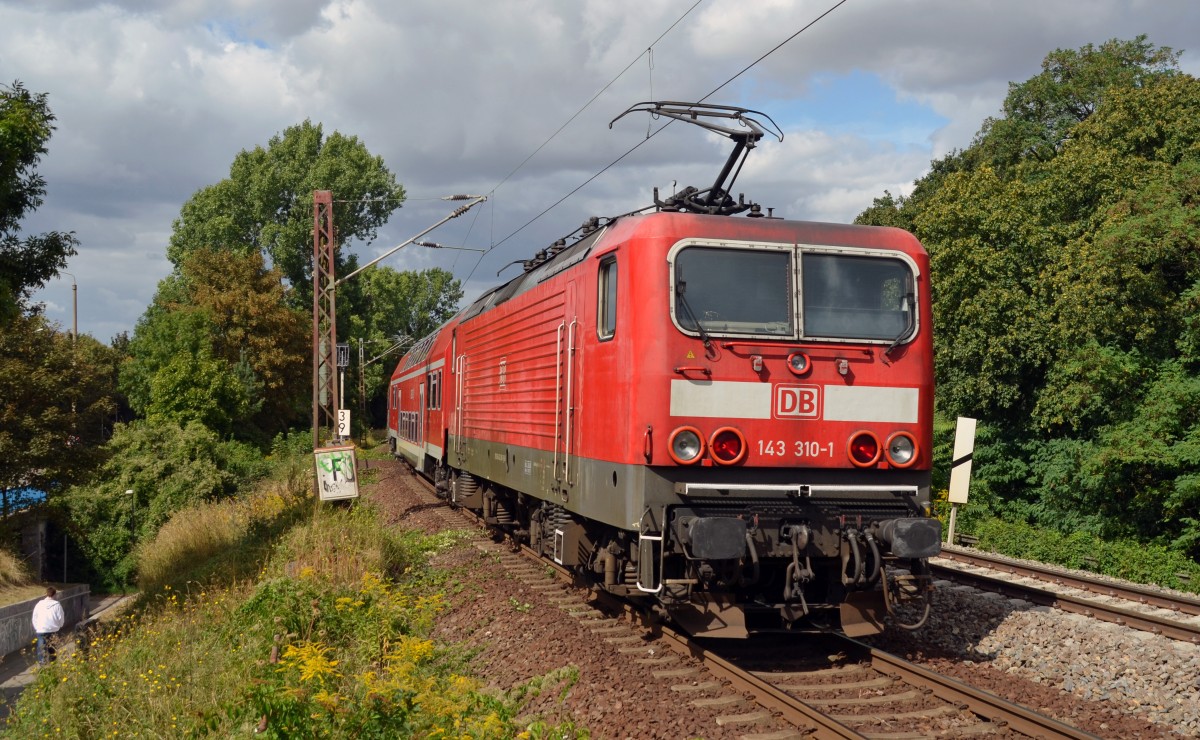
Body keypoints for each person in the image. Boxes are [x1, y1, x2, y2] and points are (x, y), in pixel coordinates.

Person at [31, 586, 65, 665]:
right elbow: (61, 617)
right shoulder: (57, 605)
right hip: (53, 629)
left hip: (41, 629)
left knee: (41, 648)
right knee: (52, 647)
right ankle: (53, 663)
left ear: (46, 594)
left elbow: (34, 617)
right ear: (55, 594)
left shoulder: (39, 604)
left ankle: (42, 663)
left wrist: (37, 627)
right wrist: (60, 626)